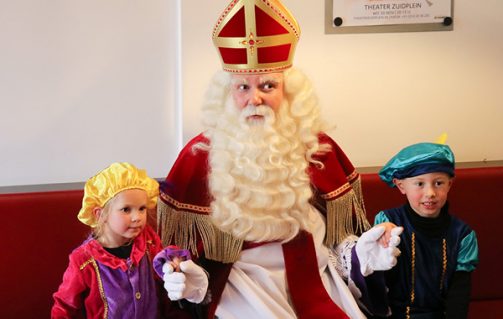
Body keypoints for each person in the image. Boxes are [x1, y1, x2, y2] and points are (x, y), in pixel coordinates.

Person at [158, 1, 402, 318]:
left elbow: (338, 240)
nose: (254, 98)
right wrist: (192, 282)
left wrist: (361, 256)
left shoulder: (319, 149)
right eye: (243, 86)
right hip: (241, 291)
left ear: (290, 92)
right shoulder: (199, 157)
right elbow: (181, 256)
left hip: (319, 281)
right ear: (226, 93)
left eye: (268, 85)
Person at [51, 162, 173, 318]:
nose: (137, 217)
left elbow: (164, 269)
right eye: (126, 209)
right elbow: (65, 306)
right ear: (100, 214)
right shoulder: (83, 261)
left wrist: (174, 261)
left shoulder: (148, 241)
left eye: (142, 208)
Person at [375, 142, 479, 318]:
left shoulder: (463, 236)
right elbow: (376, 283)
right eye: (420, 184)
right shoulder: (388, 224)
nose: (430, 193)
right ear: (401, 186)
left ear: (449, 185)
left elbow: (459, 295)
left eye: (438, 183)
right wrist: (379, 241)